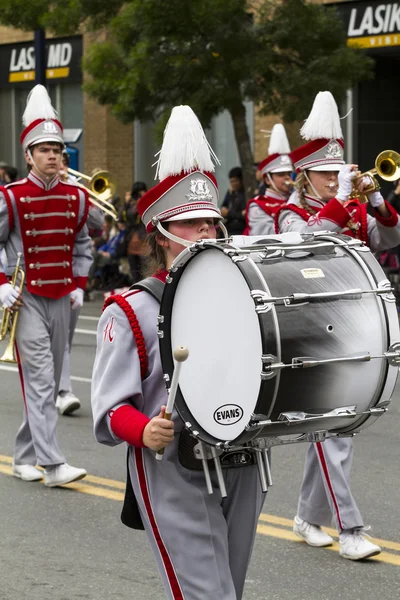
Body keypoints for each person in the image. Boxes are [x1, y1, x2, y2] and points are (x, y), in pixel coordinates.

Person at [91, 105, 265, 600]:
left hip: (242, 457)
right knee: (207, 595)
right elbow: (109, 410)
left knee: (228, 588)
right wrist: (144, 429)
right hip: (172, 464)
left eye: (210, 221)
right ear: (161, 235)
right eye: (191, 224)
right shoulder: (129, 310)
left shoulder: (245, 295)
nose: (206, 231)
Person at [276, 91, 400, 560]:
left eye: (338, 171)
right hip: (311, 327)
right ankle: (350, 528)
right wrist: (342, 203)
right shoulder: (288, 212)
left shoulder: (353, 206)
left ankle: (308, 516)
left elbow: (390, 241)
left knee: (334, 427)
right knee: (336, 430)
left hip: (357, 323)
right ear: (305, 175)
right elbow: (298, 247)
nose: (335, 178)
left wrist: (381, 204)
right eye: (326, 173)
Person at [0, 84, 92, 486]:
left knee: (50, 382)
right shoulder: (11, 197)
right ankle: (53, 465)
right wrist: (1, 283)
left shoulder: (78, 197)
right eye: (44, 150)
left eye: (57, 149)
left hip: (62, 296)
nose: (53, 155)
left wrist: (79, 283)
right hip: (27, 299)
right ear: (28, 156)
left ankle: (23, 456)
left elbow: (84, 244)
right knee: (40, 381)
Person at [245, 124, 293, 236]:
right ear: (267, 179)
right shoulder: (258, 205)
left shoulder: (296, 199)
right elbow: (265, 237)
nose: (287, 178)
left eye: (289, 174)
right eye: (281, 174)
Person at [221, 166, 247, 235]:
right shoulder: (231, 192)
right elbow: (224, 207)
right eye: (231, 181)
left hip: (241, 230)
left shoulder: (246, 194)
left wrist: (229, 213)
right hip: (229, 228)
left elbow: (244, 215)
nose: (233, 184)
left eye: (235, 181)